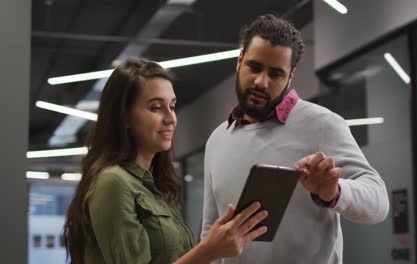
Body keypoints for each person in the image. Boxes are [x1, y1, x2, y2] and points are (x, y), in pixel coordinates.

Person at [201, 14, 389, 264]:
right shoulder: (217, 140)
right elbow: (210, 232)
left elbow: (379, 203)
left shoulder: (323, 124)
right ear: (239, 62)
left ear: (290, 76)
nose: (261, 82)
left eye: (276, 74)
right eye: (254, 67)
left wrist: (335, 192)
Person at [63, 57, 269, 264]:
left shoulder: (155, 187)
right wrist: (208, 251)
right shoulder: (113, 182)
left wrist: (215, 245)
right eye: (156, 108)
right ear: (124, 117)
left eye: (172, 106)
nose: (171, 118)